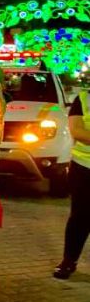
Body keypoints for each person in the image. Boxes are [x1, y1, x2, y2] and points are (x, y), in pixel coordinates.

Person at [54, 90, 90, 279]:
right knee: (80, 218)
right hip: (84, 168)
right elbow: (77, 130)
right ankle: (68, 261)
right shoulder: (84, 98)